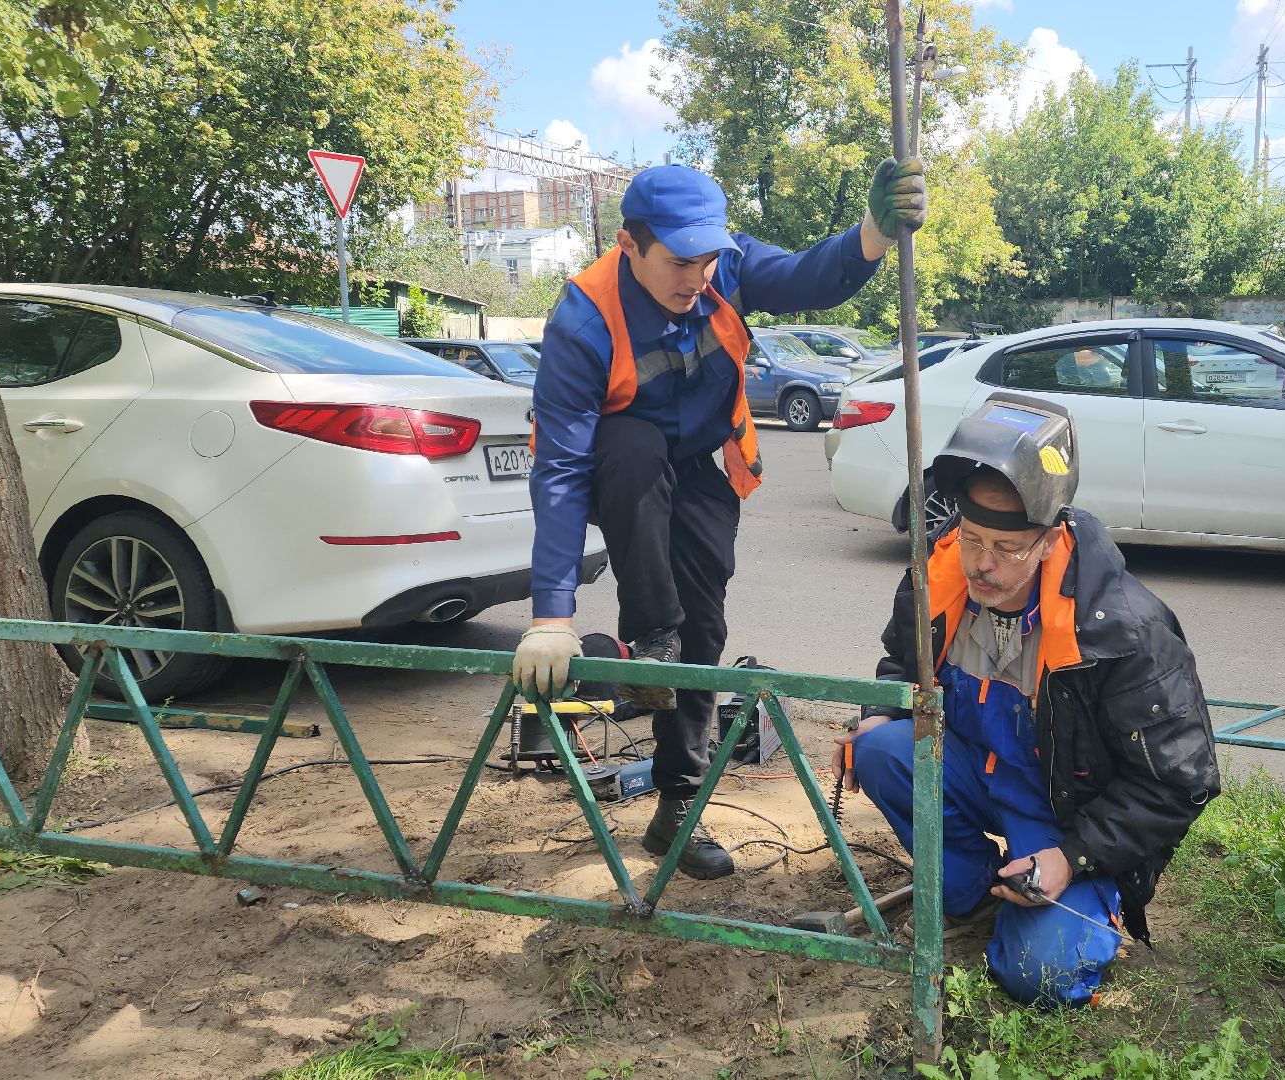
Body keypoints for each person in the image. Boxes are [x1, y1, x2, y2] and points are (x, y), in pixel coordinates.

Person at [510, 160, 927, 881]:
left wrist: (872, 234)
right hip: (623, 467)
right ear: (629, 244)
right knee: (635, 455)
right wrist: (552, 614)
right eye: (679, 261)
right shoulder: (583, 317)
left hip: (704, 462)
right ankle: (651, 635)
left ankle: (676, 807)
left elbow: (807, 278)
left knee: (703, 630)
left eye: (708, 258)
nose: (697, 276)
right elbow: (559, 467)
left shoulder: (723, 269)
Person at [832, 393, 1220, 1007]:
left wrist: (1072, 857)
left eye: (1007, 549)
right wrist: (879, 711)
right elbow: (903, 666)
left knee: (1039, 974)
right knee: (880, 748)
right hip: (976, 773)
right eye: (972, 538)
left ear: (1048, 538)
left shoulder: (1122, 631)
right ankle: (970, 893)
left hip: (1067, 819)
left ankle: (1066, 909)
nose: (982, 564)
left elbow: (1180, 782)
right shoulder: (938, 576)